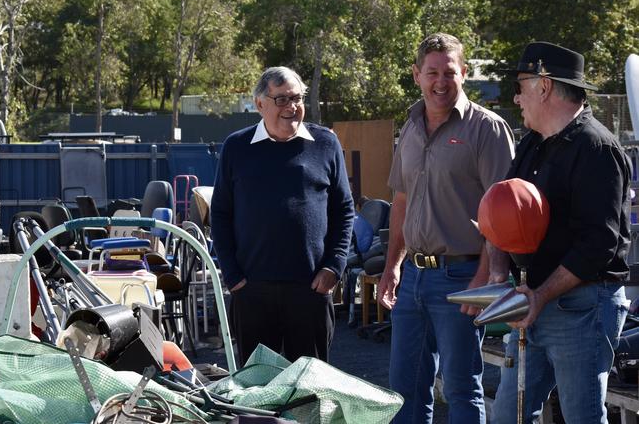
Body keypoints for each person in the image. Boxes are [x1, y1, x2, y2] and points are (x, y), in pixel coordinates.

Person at [377, 32, 515, 423]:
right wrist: (392, 267)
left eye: (449, 72)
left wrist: (485, 278)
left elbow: (503, 213)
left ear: (465, 73)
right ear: (416, 74)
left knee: (459, 388)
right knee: (405, 390)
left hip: (462, 277)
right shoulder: (411, 128)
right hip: (413, 280)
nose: (441, 82)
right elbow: (400, 202)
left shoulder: (486, 129)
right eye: (432, 72)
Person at [490, 42, 631, 424]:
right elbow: (502, 209)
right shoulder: (532, 143)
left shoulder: (597, 148)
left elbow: (597, 245)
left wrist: (538, 295)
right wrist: (498, 276)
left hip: (581, 307)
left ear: (544, 86)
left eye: (521, 85)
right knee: (508, 416)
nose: (517, 98)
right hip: (532, 303)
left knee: (581, 417)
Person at [211, 66, 354, 366]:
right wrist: (233, 276)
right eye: (282, 100)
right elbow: (220, 213)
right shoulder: (236, 147)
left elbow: (344, 209)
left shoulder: (326, 144)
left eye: (297, 98)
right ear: (259, 104)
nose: (292, 107)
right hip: (252, 293)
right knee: (257, 392)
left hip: (311, 289)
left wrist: (334, 266)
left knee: (310, 390)